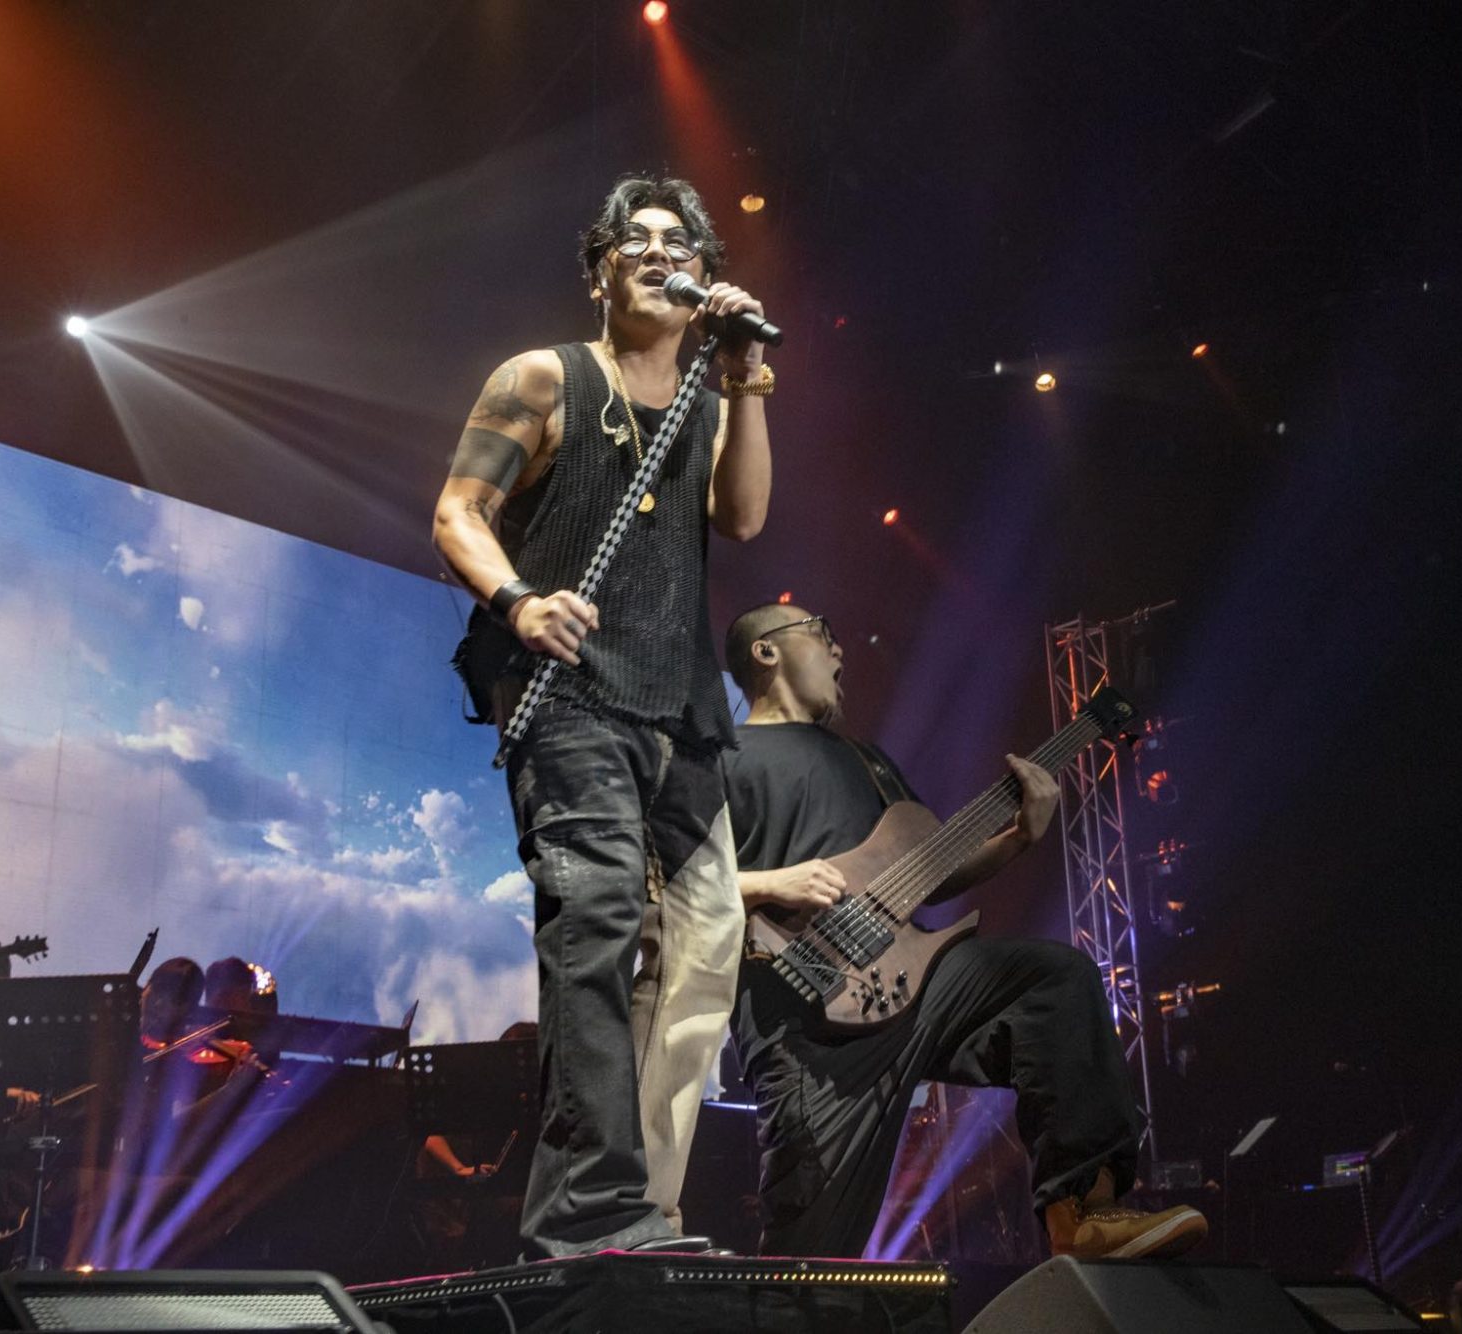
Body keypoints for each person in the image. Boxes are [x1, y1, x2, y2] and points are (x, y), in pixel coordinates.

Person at [431, 175, 773, 1257]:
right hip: (572, 698)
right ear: (600, 274)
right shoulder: (543, 377)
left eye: (682, 244)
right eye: (637, 240)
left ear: (705, 278)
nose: (660, 253)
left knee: (707, 946)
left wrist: (745, 372)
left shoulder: (711, 402)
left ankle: (644, 1207)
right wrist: (518, 601)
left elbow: (744, 516)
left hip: (681, 711)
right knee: (597, 926)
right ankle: (588, 1210)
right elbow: (457, 511)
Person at [719, 603, 1209, 1260]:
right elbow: (661, 886)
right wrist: (772, 883)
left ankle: (1083, 1209)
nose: (839, 652)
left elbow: (923, 874)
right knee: (809, 1256)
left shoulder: (866, 760)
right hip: (800, 1022)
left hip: (912, 984)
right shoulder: (721, 759)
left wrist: (1018, 837)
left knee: (1053, 980)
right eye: (822, 635)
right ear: (766, 651)